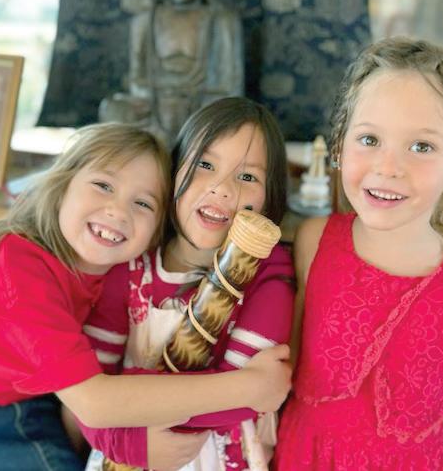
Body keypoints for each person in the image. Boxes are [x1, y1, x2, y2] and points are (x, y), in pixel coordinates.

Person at [0, 122, 291, 470]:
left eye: (143, 204)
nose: (118, 211)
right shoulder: (18, 271)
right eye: (103, 185)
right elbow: (94, 403)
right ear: (62, 185)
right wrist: (248, 387)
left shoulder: (116, 268)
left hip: (31, 395)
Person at [273, 38, 443, 470]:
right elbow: (283, 365)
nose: (388, 167)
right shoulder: (314, 241)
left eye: (421, 147)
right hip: (305, 456)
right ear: (340, 145)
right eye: (369, 139)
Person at [75, 97, 295, 471]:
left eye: (247, 177)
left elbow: (243, 400)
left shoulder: (269, 276)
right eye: (205, 165)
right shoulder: (131, 263)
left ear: (269, 197)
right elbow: (87, 389)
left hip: (218, 456)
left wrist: (124, 398)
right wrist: (116, 429)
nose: (222, 188)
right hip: (126, 449)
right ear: (173, 172)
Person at [99, 0, 243, 147]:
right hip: (156, 99)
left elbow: (232, 87)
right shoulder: (144, 20)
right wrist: (166, 92)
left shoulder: (222, 19)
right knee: (112, 109)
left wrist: (189, 93)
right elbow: (136, 82)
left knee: (229, 117)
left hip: (200, 98)